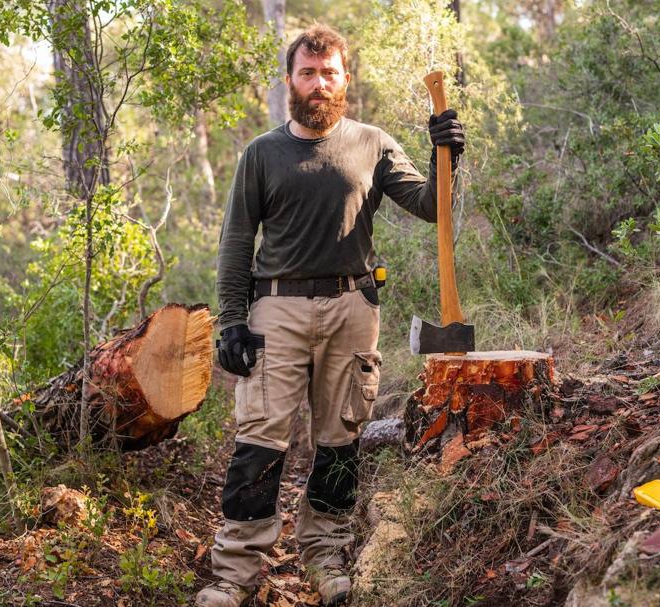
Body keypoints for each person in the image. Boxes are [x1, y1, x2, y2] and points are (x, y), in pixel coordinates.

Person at [196, 24, 465, 607]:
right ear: (291, 81)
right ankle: (235, 573)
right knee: (260, 439)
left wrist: (448, 153)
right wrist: (232, 320)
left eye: (331, 73)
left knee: (340, 436)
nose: (320, 84)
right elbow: (237, 241)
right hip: (278, 309)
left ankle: (326, 556)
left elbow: (430, 208)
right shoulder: (262, 154)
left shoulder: (372, 143)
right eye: (308, 73)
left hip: (352, 307)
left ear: (347, 80)